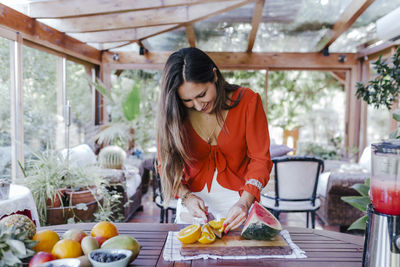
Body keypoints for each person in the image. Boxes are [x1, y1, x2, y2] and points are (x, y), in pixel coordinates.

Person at [157, 47, 273, 233]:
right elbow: (166, 165)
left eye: (202, 94)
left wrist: (245, 202)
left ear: (214, 75)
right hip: (192, 208)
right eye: (188, 100)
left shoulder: (249, 101)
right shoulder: (174, 112)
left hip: (240, 207)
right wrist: (187, 197)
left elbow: (260, 160)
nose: (197, 105)